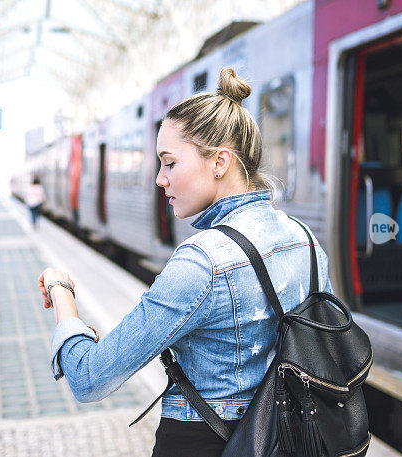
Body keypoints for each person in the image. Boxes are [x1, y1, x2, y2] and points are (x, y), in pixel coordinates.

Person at [37, 67, 335, 457]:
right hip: (295, 438)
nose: (160, 179)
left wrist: (62, 292)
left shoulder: (202, 263)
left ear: (219, 162)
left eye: (170, 163)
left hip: (207, 442)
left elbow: (89, 378)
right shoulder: (305, 239)